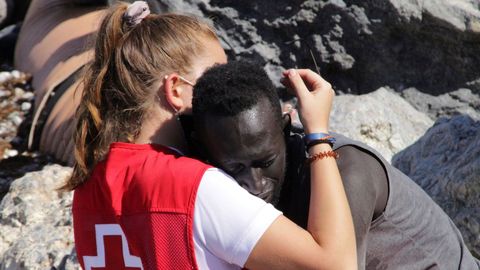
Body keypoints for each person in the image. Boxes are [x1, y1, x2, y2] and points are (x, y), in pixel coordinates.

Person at [62, 2, 357, 269]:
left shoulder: (88, 187)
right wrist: (318, 135)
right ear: (176, 90)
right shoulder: (196, 187)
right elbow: (335, 265)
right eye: (215, 75)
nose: (227, 87)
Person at [191, 61, 480, 270]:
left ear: (286, 128)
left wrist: (317, 133)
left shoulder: (348, 172)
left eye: (265, 162)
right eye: (235, 168)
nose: (255, 185)